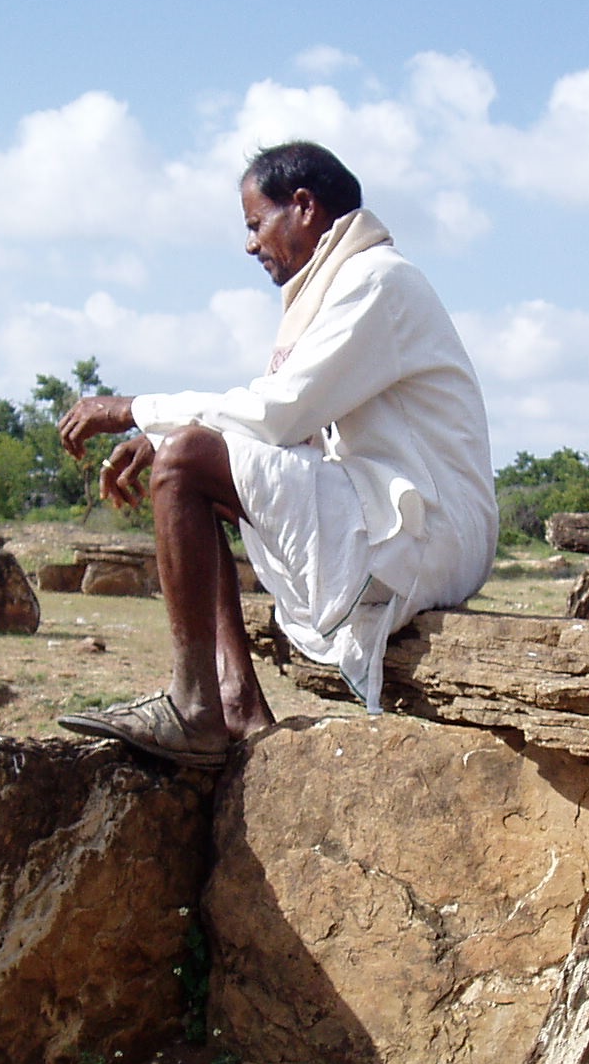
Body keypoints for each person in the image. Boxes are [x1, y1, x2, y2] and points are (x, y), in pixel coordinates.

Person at [55, 141, 497, 767]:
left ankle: (197, 705)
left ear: (304, 207)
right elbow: (283, 427)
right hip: (407, 523)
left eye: (255, 224)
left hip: (426, 535)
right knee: (193, 459)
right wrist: (162, 437)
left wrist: (135, 410)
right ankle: (233, 699)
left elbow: (279, 414)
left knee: (189, 461)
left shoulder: (376, 281)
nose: (250, 244)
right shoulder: (343, 285)